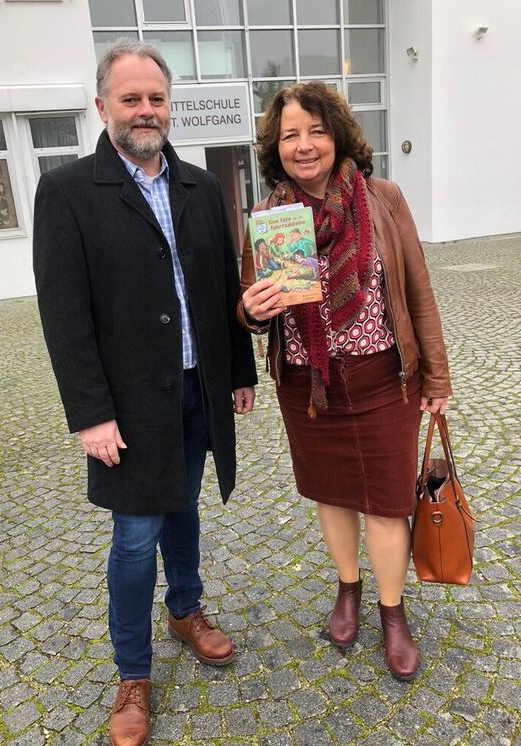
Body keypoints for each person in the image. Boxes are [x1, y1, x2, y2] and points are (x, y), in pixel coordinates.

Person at [33, 41, 257, 745]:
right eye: (130, 98)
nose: (145, 110)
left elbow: (224, 288)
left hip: (196, 392)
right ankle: (133, 673)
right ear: (102, 107)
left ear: (170, 106)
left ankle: (186, 610)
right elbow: (64, 315)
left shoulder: (199, 187)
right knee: (134, 540)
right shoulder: (68, 192)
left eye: (156, 98)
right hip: (127, 409)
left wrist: (240, 373)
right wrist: (90, 413)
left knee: (185, 508)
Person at [237, 81, 451, 682]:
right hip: (309, 388)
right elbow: (249, 309)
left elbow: (417, 291)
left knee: (386, 502)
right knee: (331, 494)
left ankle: (392, 611)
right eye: (290, 135)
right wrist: (252, 310)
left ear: (339, 135)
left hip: (386, 380)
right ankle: (348, 588)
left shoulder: (383, 198)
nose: (304, 146)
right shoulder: (269, 216)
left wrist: (436, 374)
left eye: (316, 130)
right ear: (274, 147)